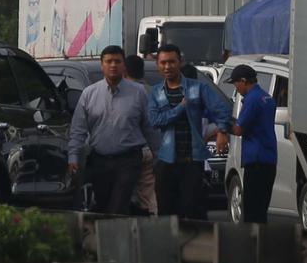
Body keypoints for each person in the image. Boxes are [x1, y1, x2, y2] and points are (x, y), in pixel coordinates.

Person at [147, 44, 232, 219]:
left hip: (192, 161)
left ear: (180, 62)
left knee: (190, 210)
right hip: (166, 160)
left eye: (172, 62)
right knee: (166, 211)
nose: (167, 67)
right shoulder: (156, 92)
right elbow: (155, 121)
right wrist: (180, 108)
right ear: (158, 65)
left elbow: (222, 109)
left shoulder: (197, 88)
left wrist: (223, 131)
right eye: (163, 63)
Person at [67, 45, 154, 215]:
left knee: (118, 205)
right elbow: (78, 130)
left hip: (128, 160)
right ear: (102, 65)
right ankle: (111, 237)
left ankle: (117, 235)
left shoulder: (138, 93)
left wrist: (158, 156)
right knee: (103, 206)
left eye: (117, 61)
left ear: (124, 66)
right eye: (108, 61)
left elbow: (150, 127)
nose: (113, 65)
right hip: (100, 161)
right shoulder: (89, 94)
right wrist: (73, 157)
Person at [224, 64, 277, 223]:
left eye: (235, 83)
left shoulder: (252, 100)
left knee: (252, 210)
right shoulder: (266, 97)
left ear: (243, 81)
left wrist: (223, 124)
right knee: (261, 209)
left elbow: (239, 130)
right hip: (269, 159)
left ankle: (254, 244)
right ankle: (262, 243)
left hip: (256, 161)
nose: (236, 88)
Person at [123, 54, 157, 216]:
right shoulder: (154, 91)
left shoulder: (124, 92)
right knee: (149, 193)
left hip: (128, 150)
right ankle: (154, 225)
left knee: (123, 192)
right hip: (151, 149)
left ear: (124, 71)